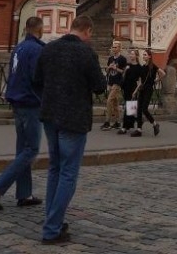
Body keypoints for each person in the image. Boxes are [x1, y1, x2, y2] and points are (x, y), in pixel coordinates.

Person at [31, 14, 106, 245]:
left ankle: (53, 220)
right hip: (73, 120)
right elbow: (100, 86)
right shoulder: (86, 53)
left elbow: (36, 80)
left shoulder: (49, 48)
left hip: (49, 116)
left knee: (55, 168)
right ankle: (52, 229)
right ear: (88, 31)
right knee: (67, 173)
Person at [0, 16, 46, 212]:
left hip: (17, 101)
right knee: (31, 149)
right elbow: (38, 77)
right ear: (40, 29)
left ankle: (24, 194)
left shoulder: (18, 48)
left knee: (23, 150)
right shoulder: (37, 49)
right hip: (31, 103)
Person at [130, 49, 165, 137]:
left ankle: (155, 124)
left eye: (145, 55)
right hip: (142, 90)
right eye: (143, 55)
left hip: (149, 90)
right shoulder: (143, 67)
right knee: (138, 109)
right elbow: (141, 82)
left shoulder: (153, 66)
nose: (144, 56)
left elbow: (163, 73)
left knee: (144, 109)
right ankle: (139, 130)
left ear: (149, 56)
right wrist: (135, 91)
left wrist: (156, 80)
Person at [101, 40, 127, 131]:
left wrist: (116, 68)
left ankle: (107, 122)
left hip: (118, 82)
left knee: (109, 101)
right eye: (113, 47)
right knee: (115, 103)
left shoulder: (122, 59)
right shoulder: (111, 58)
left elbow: (124, 72)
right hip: (111, 82)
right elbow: (107, 71)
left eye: (116, 47)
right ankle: (118, 122)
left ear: (119, 48)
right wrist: (109, 67)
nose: (114, 48)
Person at [119, 49, 142, 135]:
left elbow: (140, 81)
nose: (131, 56)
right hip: (126, 88)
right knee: (130, 107)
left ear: (136, 56)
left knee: (129, 107)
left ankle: (125, 127)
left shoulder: (139, 67)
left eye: (132, 54)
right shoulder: (128, 65)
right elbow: (123, 76)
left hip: (133, 88)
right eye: (130, 54)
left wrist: (135, 91)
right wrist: (125, 70)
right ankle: (129, 125)